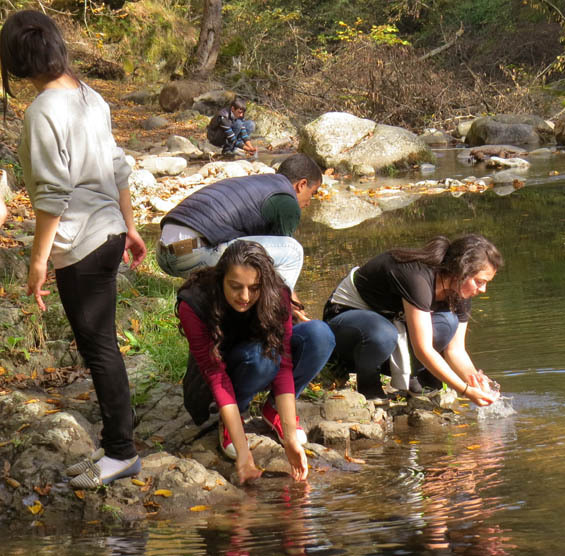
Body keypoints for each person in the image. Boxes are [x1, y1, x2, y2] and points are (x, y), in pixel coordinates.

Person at [1, 10, 146, 487]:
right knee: (102, 343)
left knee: (99, 347)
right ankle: (117, 444)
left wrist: (38, 260)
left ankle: (121, 452)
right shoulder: (89, 96)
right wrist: (130, 227)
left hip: (78, 243)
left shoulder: (44, 111)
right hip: (106, 234)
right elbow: (118, 166)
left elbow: (51, 194)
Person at [176, 240, 334, 483]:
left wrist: (291, 438)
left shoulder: (276, 292)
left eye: (254, 287)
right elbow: (215, 375)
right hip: (223, 369)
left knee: (320, 335)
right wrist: (244, 453)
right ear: (221, 280)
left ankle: (273, 411)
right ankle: (232, 419)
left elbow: (284, 365)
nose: (245, 297)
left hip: (262, 357)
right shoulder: (195, 303)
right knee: (260, 358)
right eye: (236, 287)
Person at [323, 234, 503, 406]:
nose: (483, 289)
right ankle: (368, 383)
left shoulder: (460, 290)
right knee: (383, 333)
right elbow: (423, 349)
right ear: (460, 271)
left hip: (390, 324)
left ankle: (413, 376)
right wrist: (465, 391)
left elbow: (455, 350)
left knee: (448, 323)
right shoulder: (417, 277)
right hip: (345, 323)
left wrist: (474, 379)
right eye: (479, 282)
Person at [155, 153, 321, 319]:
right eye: (312, 193)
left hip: (163, 255)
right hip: (192, 255)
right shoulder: (287, 200)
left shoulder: (260, 183)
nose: (308, 202)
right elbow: (278, 264)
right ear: (302, 185)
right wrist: (295, 303)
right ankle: (282, 315)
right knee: (293, 251)